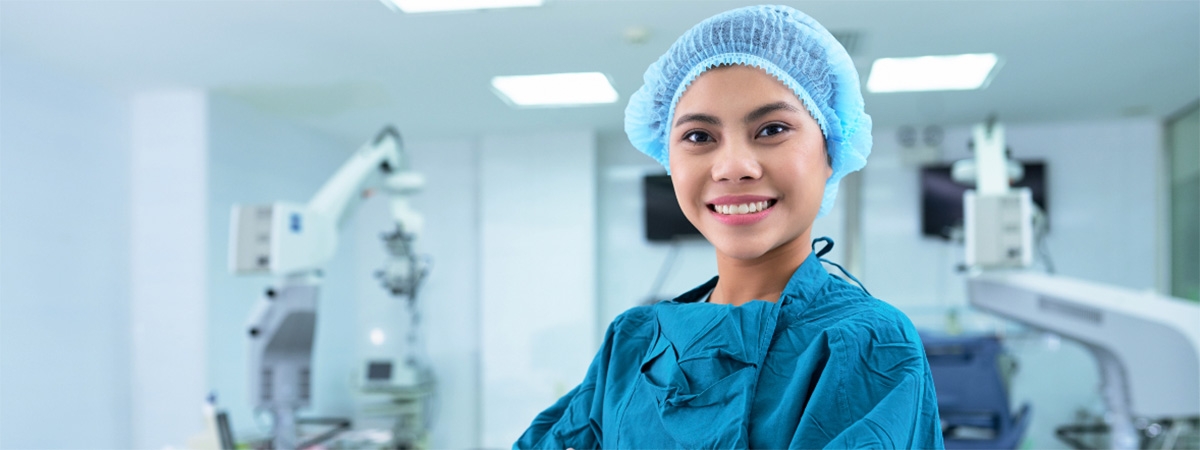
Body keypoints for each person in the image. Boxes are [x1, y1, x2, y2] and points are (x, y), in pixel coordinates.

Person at [515, 5, 944, 449]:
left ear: (831, 147)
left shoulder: (867, 343)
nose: (733, 166)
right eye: (699, 136)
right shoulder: (634, 343)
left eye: (772, 129)